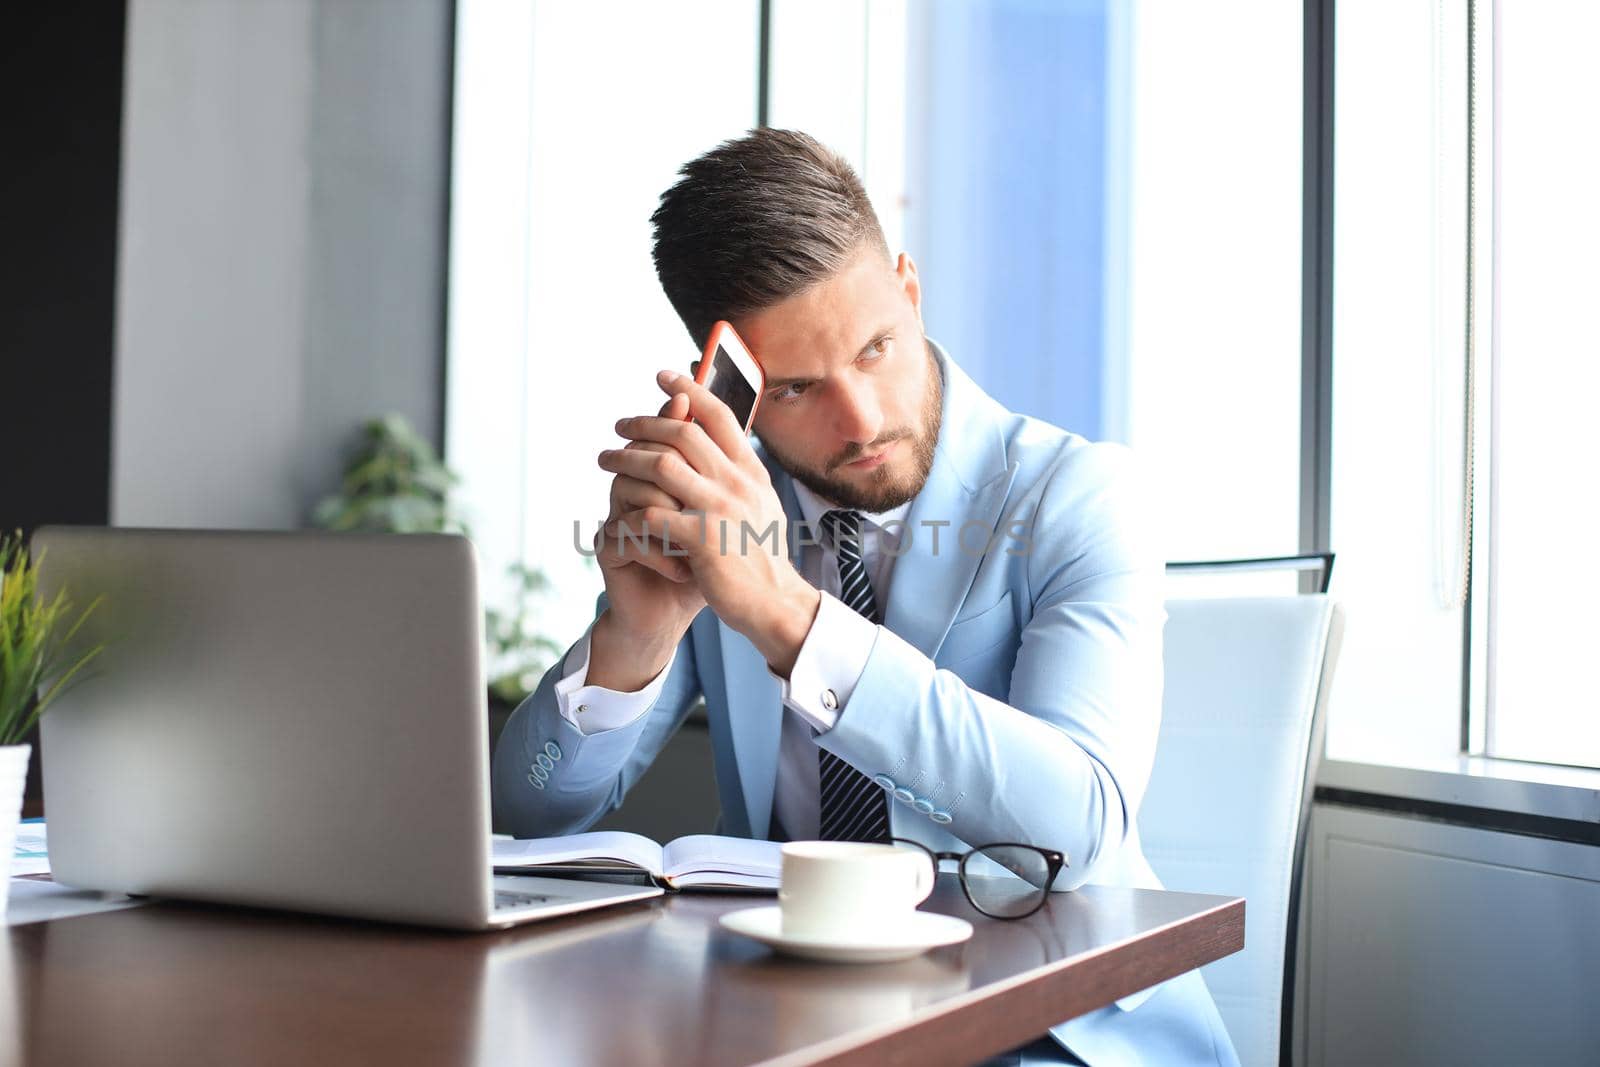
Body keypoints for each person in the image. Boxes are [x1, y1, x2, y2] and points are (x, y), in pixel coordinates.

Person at [492, 128, 1238, 1067]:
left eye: (879, 346)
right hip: (793, 1014)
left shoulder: (1078, 495)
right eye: (800, 386)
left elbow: (1079, 824)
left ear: (910, 288)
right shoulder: (730, 512)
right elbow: (532, 813)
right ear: (740, 390)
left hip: (1046, 1032)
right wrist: (633, 636)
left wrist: (790, 620)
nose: (863, 417)